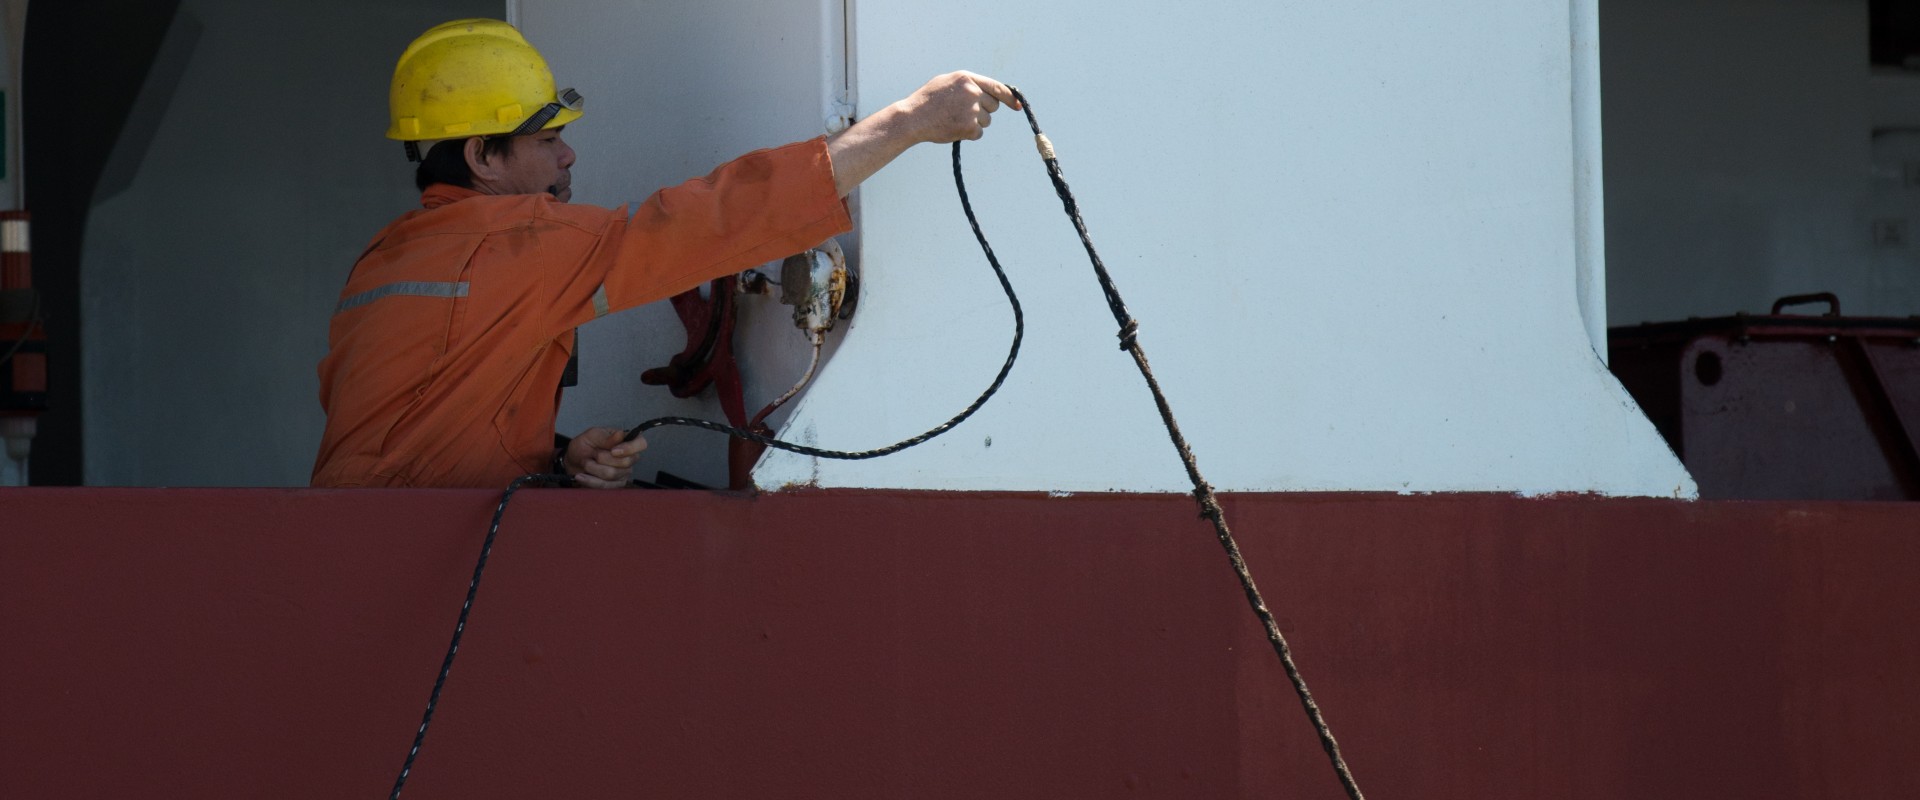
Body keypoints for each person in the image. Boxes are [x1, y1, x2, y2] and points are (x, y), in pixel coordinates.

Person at [311, 19, 1017, 489]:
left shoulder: (384, 259)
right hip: (417, 564)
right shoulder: (519, 243)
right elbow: (710, 221)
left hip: (342, 550)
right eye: (544, 140)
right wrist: (909, 121)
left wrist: (556, 454)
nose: (567, 153)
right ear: (482, 157)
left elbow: (417, 426)